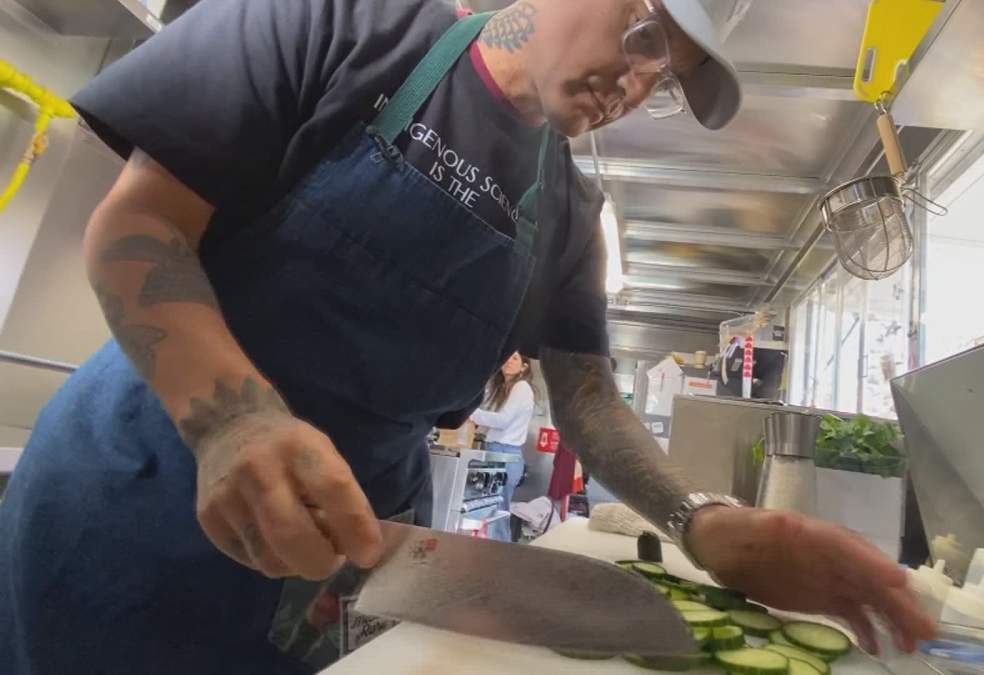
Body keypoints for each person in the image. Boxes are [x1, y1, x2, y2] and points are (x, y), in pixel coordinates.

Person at [0, 1, 935, 673]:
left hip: (348, 566)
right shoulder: (341, 22)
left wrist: (699, 518)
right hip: (139, 499)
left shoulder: (572, 212)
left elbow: (588, 398)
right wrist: (233, 423)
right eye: (646, 35)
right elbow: (141, 226)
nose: (636, 84)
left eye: (665, 80)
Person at [469, 352, 537, 542]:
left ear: (524, 366)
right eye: (507, 356)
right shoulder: (505, 388)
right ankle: (492, 551)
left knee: (497, 514)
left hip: (505, 454)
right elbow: (491, 425)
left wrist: (470, 413)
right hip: (497, 452)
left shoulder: (521, 387)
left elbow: (502, 421)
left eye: (515, 358)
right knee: (493, 512)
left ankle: (499, 552)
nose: (509, 361)